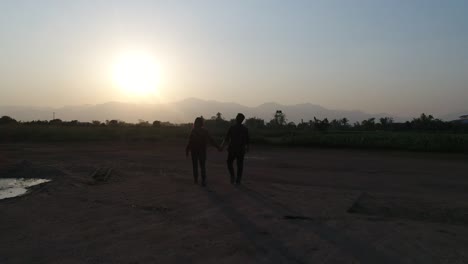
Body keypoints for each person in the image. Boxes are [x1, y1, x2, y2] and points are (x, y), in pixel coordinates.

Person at [186, 117, 221, 186]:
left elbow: (190, 142)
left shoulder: (194, 131)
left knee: (196, 166)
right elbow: (211, 140)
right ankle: (202, 180)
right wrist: (218, 147)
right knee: (201, 166)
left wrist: (187, 149)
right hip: (200, 151)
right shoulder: (204, 131)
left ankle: (197, 180)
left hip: (195, 151)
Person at [221, 113, 250, 185]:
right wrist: (247, 147)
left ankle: (232, 176)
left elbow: (226, 139)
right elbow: (247, 140)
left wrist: (222, 146)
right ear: (242, 120)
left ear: (236, 119)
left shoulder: (232, 128)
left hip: (232, 149)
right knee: (240, 165)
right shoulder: (245, 129)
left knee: (229, 162)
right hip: (241, 150)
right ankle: (238, 179)